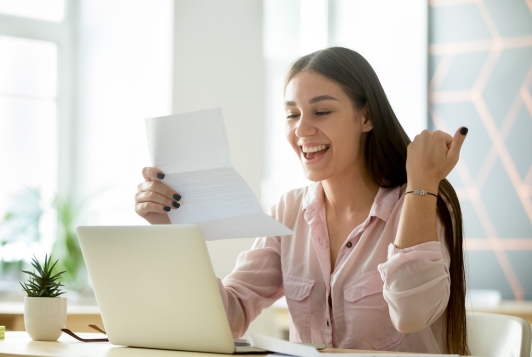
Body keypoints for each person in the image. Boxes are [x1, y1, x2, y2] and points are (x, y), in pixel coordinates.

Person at [134, 47, 469, 354]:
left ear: (366, 117)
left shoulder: (419, 202)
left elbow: (412, 314)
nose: (302, 130)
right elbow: (228, 317)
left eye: (321, 111)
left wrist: (422, 182)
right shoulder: (289, 211)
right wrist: (168, 230)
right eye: (292, 114)